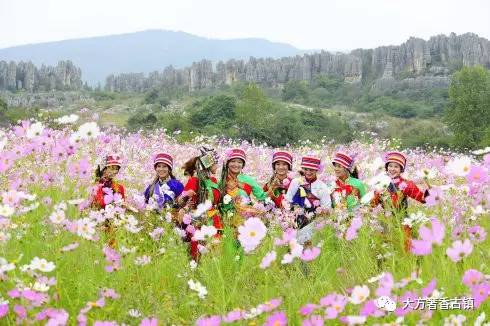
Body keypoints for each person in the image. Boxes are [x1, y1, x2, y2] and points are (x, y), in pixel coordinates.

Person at [371, 151, 430, 252]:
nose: (392, 169)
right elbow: (373, 204)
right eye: (390, 166)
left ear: (401, 169)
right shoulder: (381, 182)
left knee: (404, 247)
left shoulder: (406, 184)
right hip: (386, 220)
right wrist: (376, 193)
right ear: (386, 167)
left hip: (402, 220)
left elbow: (423, 199)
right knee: (384, 249)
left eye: (396, 167)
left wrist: (427, 185)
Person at [178, 147, 222, 260]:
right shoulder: (194, 181)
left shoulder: (214, 181)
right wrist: (187, 196)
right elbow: (180, 200)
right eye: (216, 163)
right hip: (199, 221)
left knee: (215, 251)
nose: (217, 166)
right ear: (208, 164)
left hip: (214, 220)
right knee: (198, 253)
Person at [219, 148, 268, 226]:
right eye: (233, 161)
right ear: (227, 163)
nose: (236, 164)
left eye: (239, 162)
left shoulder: (248, 179)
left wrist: (273, 188)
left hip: (245, 219)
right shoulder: (222, 180)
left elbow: (261, 196)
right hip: (226, 219)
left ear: (243, 165)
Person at [285, 156, 331, 228]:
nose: (308, 172)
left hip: (315, 223)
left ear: (316, 170)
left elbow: (326, 208)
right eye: (306, 169)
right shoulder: (296, 182)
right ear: (302, 169)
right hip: (295, 222)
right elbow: (288, 201)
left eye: (311, 170)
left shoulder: (322, 186)